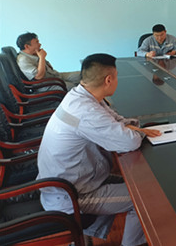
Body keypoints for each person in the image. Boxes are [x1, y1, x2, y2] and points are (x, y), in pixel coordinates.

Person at [36, 53, 161, 245]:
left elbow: (116, 120)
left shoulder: (81, 95)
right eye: (117, 77)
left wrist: (133, 128)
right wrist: (138, 132)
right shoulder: (86, 111)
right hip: (72, 196)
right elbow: (129, 142)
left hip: (74, 181)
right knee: (147, 197)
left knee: (140, 182)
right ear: (109, 79)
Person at [16, 32, 80, 89]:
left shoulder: (34, 54)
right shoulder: (23, 60)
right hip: (45, 84)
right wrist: (42, 57)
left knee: (81, 75)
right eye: (37, 42)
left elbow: (50, 68)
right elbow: (39, 77)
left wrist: (40, 57)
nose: (40, 44)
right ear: (27, 46)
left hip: (55, 76)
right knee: (72, 87)